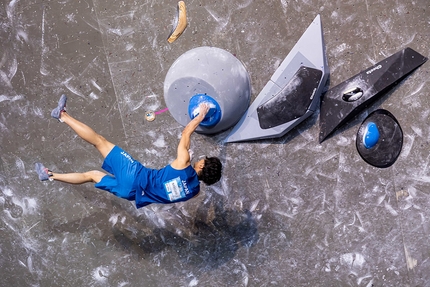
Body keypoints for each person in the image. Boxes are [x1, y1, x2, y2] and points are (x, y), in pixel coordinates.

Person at [35, 95, 222, 208]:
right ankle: (50, 175)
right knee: (92, 175)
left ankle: (62, 115)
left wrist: (202, 114)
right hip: (130, 194)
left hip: (134, 175)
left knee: (100, 142)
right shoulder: (194, 192)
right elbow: (178, 184)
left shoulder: (183, 162)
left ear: (202, 164)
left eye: (203, 160)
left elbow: (186, 131)